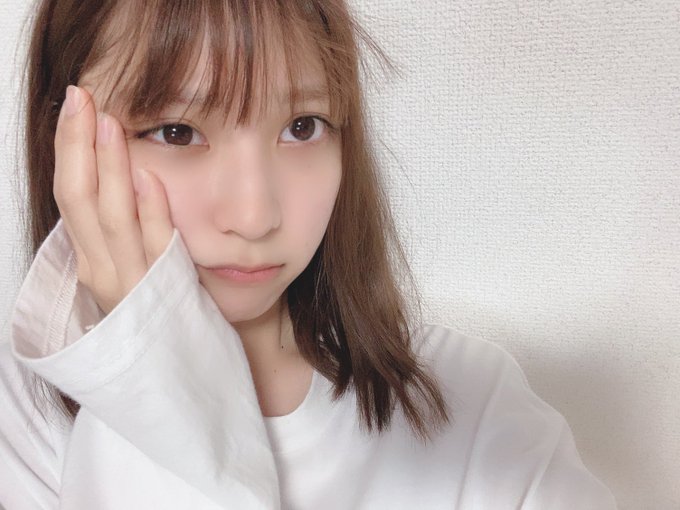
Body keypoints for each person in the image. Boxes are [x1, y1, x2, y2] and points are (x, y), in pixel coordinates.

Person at [0, 0, 617, 508]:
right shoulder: (22, 415)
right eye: (176, 131)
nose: (255, 216)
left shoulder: (472, 406)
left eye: (302, 127)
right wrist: (140, 367)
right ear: (67, 142)